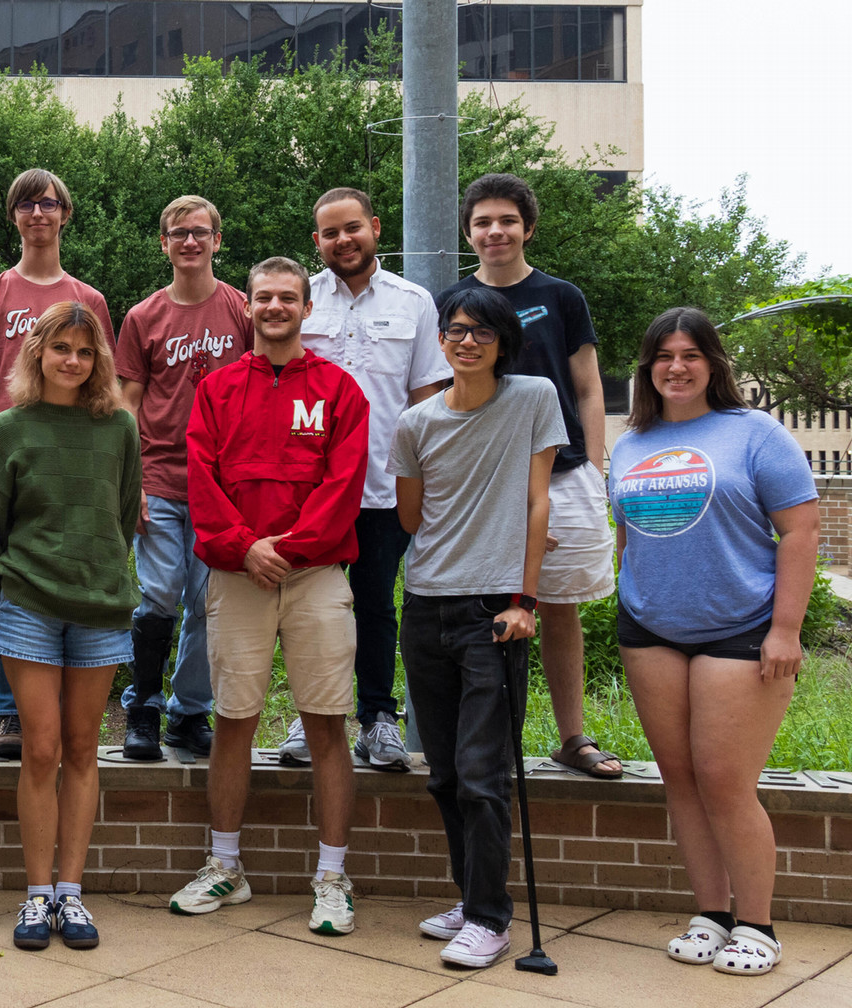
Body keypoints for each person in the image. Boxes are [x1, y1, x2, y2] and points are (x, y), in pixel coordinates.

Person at [609, 308, 818, 976]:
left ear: (714, 363)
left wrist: (785, 629)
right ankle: (712, 913)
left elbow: (802, 533)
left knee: (726, 780)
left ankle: (757, 924)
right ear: (647, 368)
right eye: (663, 355)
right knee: (682, 780)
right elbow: (625, 533)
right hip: (651, 629)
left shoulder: (754, 433)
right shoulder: (631, 440)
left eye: (691, 354)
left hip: (741, 627)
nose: (676, 366)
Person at [173, 257, 368, 938]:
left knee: (325, 725)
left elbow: (344, 486)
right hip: (238, 573)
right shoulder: (218, 389)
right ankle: (225, 866)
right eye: (264, 297)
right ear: (247, 307)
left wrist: (287, 548)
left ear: (307, 309)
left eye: (288, 297)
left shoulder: (341, 390)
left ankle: (332, 877)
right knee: (233, 721)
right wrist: (242, 546)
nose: (275, 306)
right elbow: (200, 480)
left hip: (314, 576)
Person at [388, 287, 563, 969]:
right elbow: (410, 520)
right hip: (425, 605)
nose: (467, 342)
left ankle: (490, 919)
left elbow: (537, 502)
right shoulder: (416, 423)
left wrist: (526, 600)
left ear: (503, 341)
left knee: (484, 774)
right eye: (457, 331)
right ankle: (471, 896)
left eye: (482, 333)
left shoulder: (532, 398)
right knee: (445, 774)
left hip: (495, 611)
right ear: (441, 339)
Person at [443, 173, 621, 779]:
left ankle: (572, 737)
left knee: (559, 606)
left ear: (528, 228)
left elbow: (589, 387)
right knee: (487, 605)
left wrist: (595, 471)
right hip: (484, 480)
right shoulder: (452, 300)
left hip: (565, 474)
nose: (496, 231)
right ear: (468, 232)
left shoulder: (562, 296)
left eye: (508, 220)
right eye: (484, 221)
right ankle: (494, 745)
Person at [0, 301, 139, 952]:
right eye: (60, 348)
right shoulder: (5, 431)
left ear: (97, 359)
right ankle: (36, 893)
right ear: (36, 352)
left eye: (84, 350)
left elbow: (123, 515)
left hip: (99, 604)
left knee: (81, 750)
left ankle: (72, 895)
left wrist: (95, 566)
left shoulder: (117, 429)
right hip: (30, 605)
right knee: (39, 751)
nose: (72, 360)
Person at [0, 167, 113, 761]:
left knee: (63, 575)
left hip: (69, 459)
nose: (37, 213)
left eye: (48, 204)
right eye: (26, 204)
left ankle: (64, 699)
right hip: (6, 454)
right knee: (4, 580)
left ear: (64, 214)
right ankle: (8, 713)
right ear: (14, 216)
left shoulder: (86, 300)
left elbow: (103, 386)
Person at [292, 187, 451, 772]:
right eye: (330, 233)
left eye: (352, 228)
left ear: (376, 228)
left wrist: (427, 480)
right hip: (313, 488)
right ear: (318, 241)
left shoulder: (414, 302)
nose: (343, 240)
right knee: (313, 606)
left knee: (377, 604)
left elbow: (427, 399)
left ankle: (379, 716)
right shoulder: (303, 300)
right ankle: (311, 716)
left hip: (386, 485)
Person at [113, 194, 253, 760]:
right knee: (161, 593)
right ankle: (142, 706)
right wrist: (133, 478)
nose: (189, 241)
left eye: (200, 232)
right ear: (164, 243)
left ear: (217, 241)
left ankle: (188, 712)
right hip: (162, 477)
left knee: (209, 601)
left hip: (223, 483)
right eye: (178, 233)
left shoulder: (242, 310)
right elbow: (128, 400)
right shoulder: (144, 317)